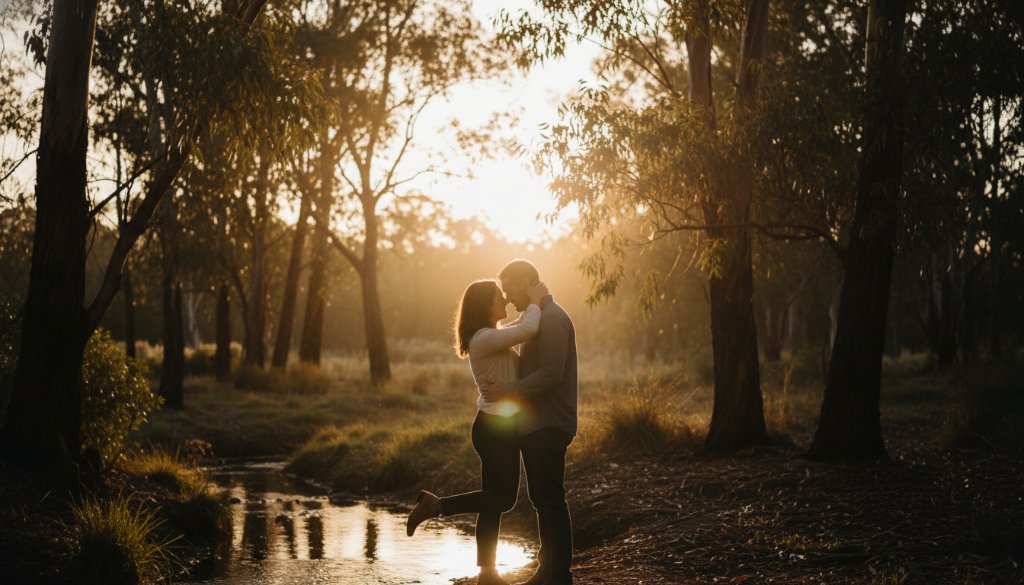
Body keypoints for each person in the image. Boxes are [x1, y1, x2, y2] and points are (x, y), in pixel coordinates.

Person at [407, 277, 549, 585]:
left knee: (491, 501)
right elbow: (528, 329)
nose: (505, 301)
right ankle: (436, 505)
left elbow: (520, 326)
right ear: (484, 306)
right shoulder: (484, 337)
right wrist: (536, 300)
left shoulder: (491, 335)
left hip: (495, 426)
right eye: (499, 297)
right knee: (503, 500)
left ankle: (487, 574)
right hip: (496, 429)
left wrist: (530, 304)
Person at [483, 259, 578, 585]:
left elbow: (551, 374)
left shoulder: (552, 320)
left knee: (550, 500)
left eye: (509, 288)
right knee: (542, 500)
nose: (507, 297)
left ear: (527, 282)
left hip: (549, 424)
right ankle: (546, 571)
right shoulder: (537, 317)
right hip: (538, 424)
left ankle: (559, 576)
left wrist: (508, 392)